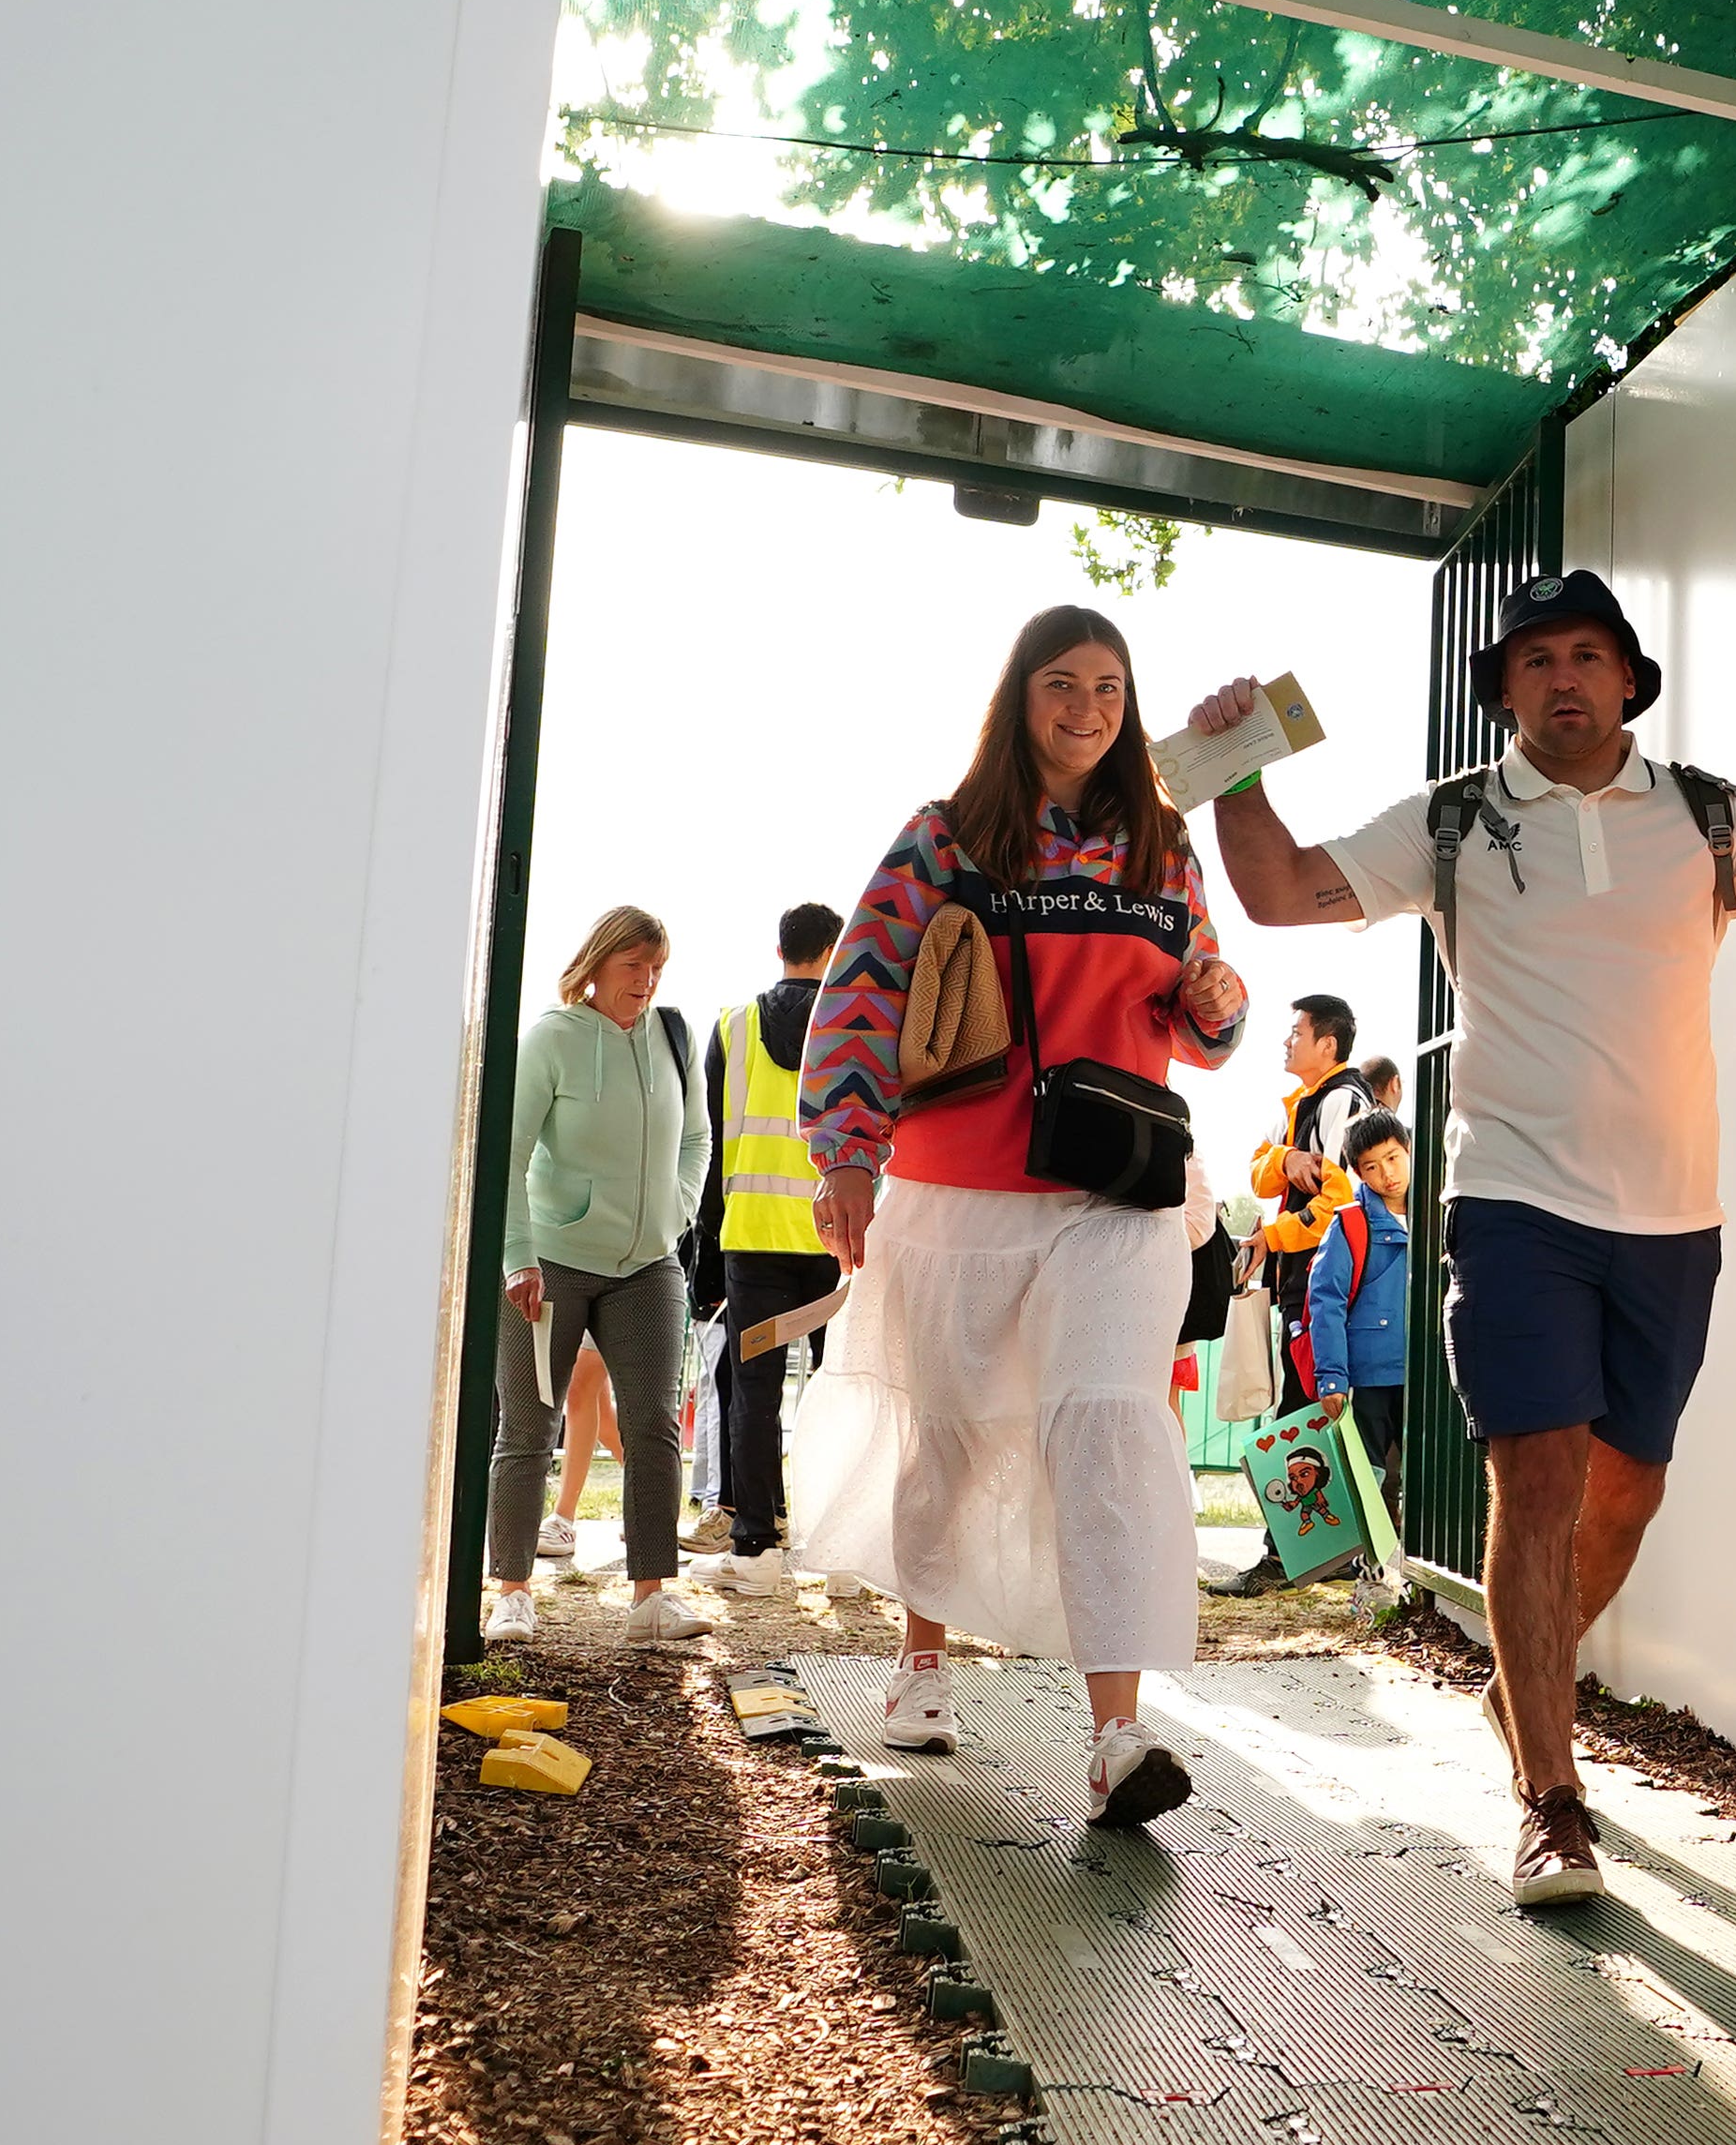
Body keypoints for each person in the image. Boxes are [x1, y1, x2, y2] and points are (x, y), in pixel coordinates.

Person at [1188, 571, 1736, 1903]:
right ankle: (1553, 1797)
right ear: (1505, 691)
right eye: (1536, 660)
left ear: (1628, 682)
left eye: (1589, 656)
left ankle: (1517, 1684)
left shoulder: (1707, 818)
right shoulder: (1456, 823)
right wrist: (1238, 772)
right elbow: (1285, 894)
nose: (1565, 680)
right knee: (1535, 1483)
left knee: (1628, 1491)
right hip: (1515, 1201)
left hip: (1673, 1213)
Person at [786, 605, 1249, 1832]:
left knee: (1105, 1430)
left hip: (1117, 1196)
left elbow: (1208, 1023)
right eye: (1061, 684)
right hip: (956, 1190)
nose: (1086, 709)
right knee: (943, 1434)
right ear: (1019, 696)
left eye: (1108, 686)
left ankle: (1115, 1734)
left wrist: (1217, 995)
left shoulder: (1162, 843)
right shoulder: (948, 837)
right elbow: (864, 992)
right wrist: (844, 1157)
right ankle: (922, 1664)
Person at [493, 906, 716, 1650]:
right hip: (551, 1263)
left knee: (654, 1425)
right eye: (633, 968)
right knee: (529, 1427)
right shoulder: (553, 1040)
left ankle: (652, 1594)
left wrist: (676, 1213)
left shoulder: (673, 1037)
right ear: (596, 966)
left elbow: (695, 1137)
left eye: (657, 967)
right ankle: (513, 1591)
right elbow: (511, 1152)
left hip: (648, 1267)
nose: (647, 982)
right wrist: (518, 1257)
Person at [684, 901, 846, 1596]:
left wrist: (708, 1255)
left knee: (753, 1393)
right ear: (835, 952)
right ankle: (842, 1556)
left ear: (781, 950)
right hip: (841, 1242)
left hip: (754, 1244)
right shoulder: (855, 1024)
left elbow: (714, 1148)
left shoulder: (734, 1026)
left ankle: (755, 1549)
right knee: (847, 1392)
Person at [1219, 994, 1368, 1593]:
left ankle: (1289, 1557)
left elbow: (1342, 1200)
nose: (1287, 1041)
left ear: (1327, 1044)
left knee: (1308, 1410)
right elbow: (1256, 1169)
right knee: (1306, 1407)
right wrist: (1289, 1156)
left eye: (1297, 1031)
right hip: (1302, 1283)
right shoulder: (1298, 1106)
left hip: (1326, 1284)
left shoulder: (1342, 1101)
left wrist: (1275, 1235)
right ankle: (1323, 1553)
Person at [1318, 1107, 1418, 1527]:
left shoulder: (1441, 1214)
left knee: (1427, 1478)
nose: (1387, 1175)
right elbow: (1327, 1301)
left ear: (1410, 1150)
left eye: (1394, 1158)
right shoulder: (1349, 1225)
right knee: (1369, 1476)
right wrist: (1333, 1378)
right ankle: (1370, 1569)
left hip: (1427, 1373)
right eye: (1372, 1167)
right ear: (1359, 1173)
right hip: (1371, 1375)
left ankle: (1422, 1574)